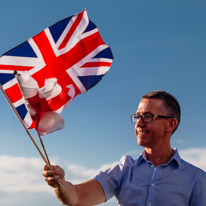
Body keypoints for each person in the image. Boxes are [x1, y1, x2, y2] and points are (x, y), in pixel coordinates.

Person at [43, 90, 206, 206]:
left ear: (170, 124)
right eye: (137, 117)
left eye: (148, 116)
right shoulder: (123, 170)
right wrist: (60, 184)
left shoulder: (197, 179)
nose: (139, 123)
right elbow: (76, 198)